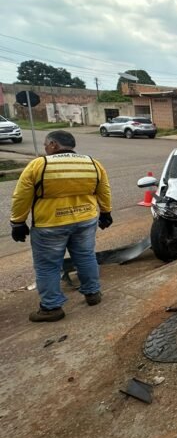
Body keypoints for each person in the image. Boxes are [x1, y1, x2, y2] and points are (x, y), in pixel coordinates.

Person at [10, 130, 112, 322]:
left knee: (48, 266)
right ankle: (93, 294)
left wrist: (17, 221)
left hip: (50, 224)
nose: (46, 149)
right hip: (85, 220)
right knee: (86, 257)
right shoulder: (92, 163)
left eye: (46, 145)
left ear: (54, 145)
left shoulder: (40, 165)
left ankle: (51, 307)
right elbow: (103, 189)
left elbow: (22, 196)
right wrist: (106, 212)